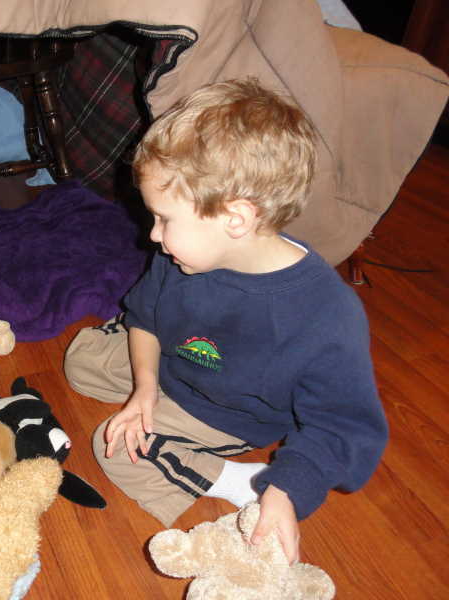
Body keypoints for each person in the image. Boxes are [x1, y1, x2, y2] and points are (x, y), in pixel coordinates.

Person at [64, 78, 388, 564]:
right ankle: (154, 398)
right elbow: (146, 316)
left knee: (113, 446)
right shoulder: (184, 257)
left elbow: (342, 428)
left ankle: (245, 482)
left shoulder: (326, 318)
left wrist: (286, 491)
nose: (153, 236)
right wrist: (145, 389)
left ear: (236, 218)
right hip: (175, 364)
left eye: (164, 220)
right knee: (79, 360)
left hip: (227, 410)